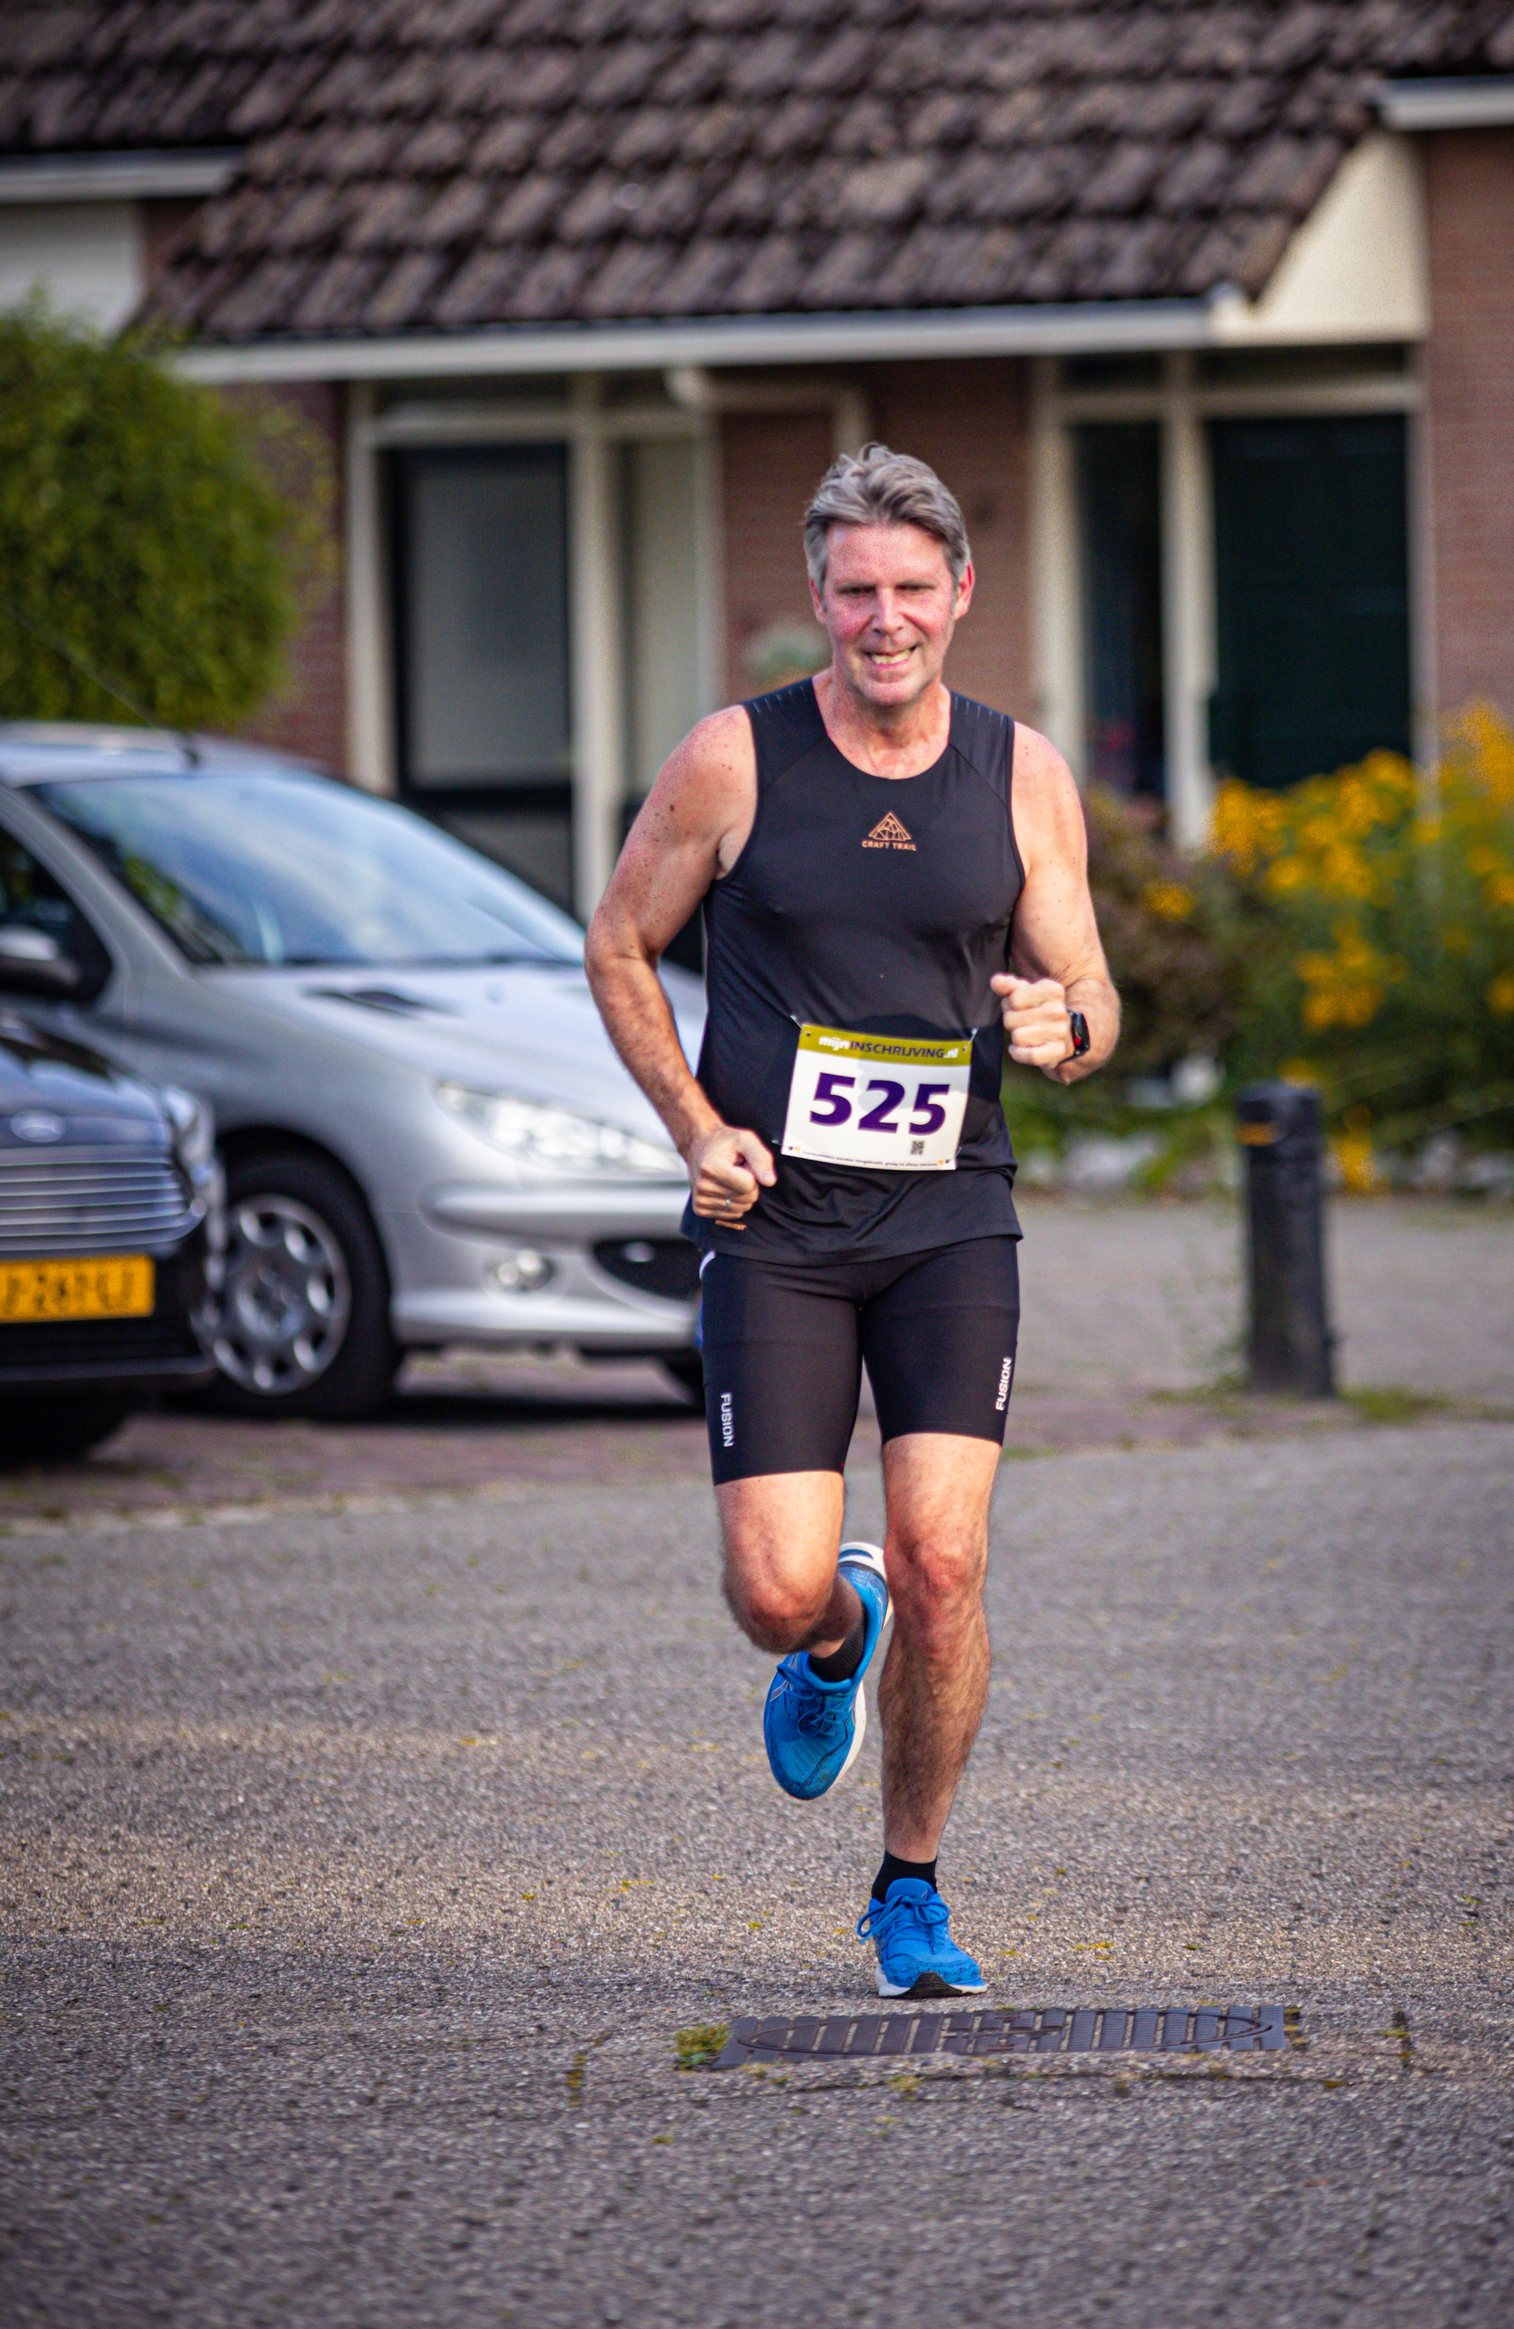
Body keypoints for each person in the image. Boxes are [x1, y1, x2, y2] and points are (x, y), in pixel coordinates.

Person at [586, 444, 1119, 1997]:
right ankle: (839, 1630)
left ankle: (910, 1889)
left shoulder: (1020, 773)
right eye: (856, 590)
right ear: (819, 598)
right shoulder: (734, 761)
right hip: (779, 1228)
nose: (885, 618)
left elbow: (1086, 989)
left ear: (961, 591)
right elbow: (620, 946)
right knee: (771, 1588)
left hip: (951, 1216)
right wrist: (698, 1129)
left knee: (955, 1563)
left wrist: (1064, 1030)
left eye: (912, 589)